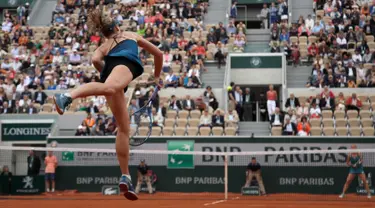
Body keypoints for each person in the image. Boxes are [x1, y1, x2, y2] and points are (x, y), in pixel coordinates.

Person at [52, 9, 162, 201]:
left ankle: (125, 175)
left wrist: (108, 73)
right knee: (110, 89)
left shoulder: (103, 46)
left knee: (124, 129)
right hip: (123, 68)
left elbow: (95, 60)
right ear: (117, 27)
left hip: (112, 73)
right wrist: (157, 77)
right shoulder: (130, 35)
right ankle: (67, 96)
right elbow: (158, 54)